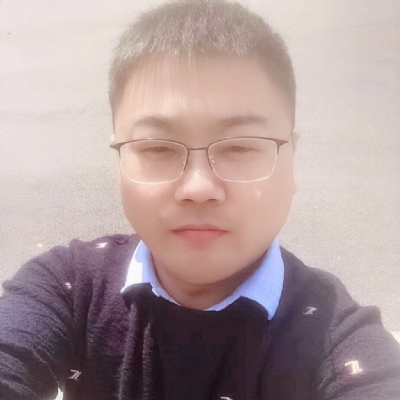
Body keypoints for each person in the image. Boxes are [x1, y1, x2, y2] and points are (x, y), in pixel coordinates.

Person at [1, 0, 399, 399]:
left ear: (291, 158)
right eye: (157, 147)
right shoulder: (68, 288)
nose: (198, 188)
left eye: (241, 147)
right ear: (118, 160)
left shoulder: (339, 342)